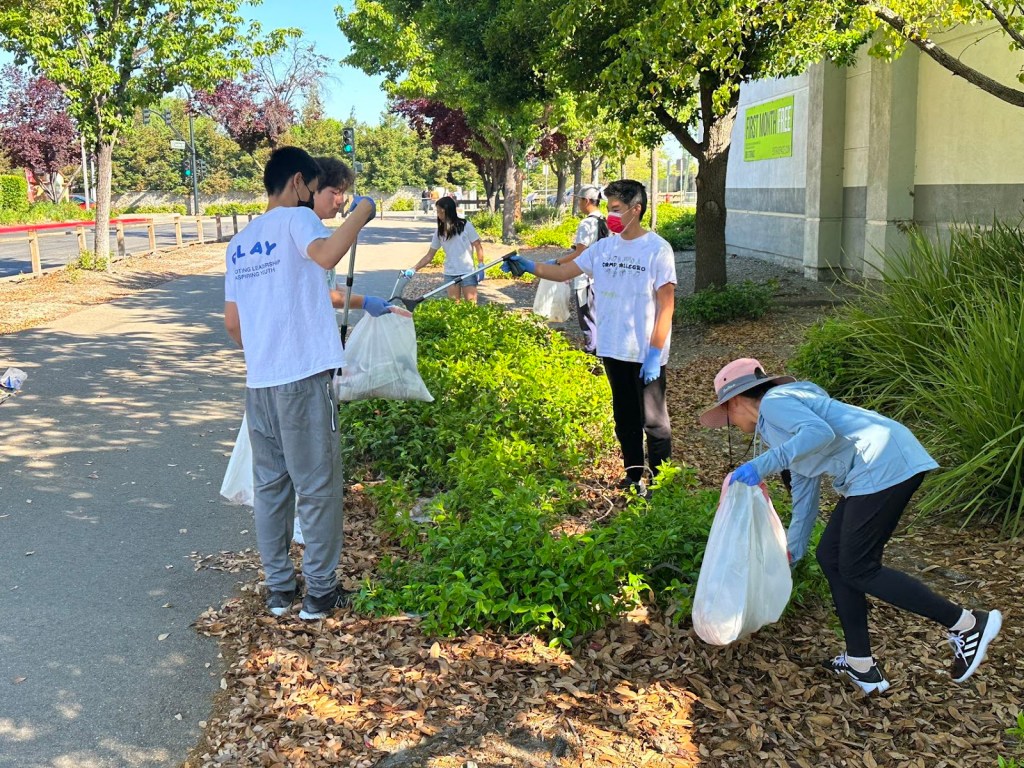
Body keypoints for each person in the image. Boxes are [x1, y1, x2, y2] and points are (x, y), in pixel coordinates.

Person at [699, 357, 1003, 693]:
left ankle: (967, 623)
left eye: (727, 415)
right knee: (830, 556)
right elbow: (804, 491)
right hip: (874, 471)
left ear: (736, 401)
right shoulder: (782, 427)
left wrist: (762, 465)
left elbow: (819, 433)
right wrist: (792, 551)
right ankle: (860, 662)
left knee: (859, 568)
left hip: (882, 465)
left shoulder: (775, 403)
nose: (730, 423)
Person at [223, 146, 385, 621]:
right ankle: (320, 592)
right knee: (316, 488)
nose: (317, 196)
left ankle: (278, 589)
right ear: (298, 183)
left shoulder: (240, 241)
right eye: (315, 188)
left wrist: (267, 349)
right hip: (304, 379)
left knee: (271, 488)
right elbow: (328, 252)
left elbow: (234, 325)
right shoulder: (297, 221)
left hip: (260, 384)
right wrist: (363, 213)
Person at [501, 179, 675, 495]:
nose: (611, 215)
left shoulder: (658, 250)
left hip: (646, 353)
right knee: (625, 421)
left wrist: (654, 352)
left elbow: (667, 304)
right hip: (613, 349)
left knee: (655, 423)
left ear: (636, 210)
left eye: (617, 209)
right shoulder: (603, 248)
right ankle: (634, 477)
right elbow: (564, 273)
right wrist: (529, 266)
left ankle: (663, 486)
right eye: (609, 208)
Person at [403, 196, 486, 303]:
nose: (439, 215)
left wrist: (481, 264)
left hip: (467, 272)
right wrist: (414, 269)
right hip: (450, 273)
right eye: (437, 212)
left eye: (441, 212)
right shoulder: (440, 232)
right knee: (453, 307)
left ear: (449, 211)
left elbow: (478, 245)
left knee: (471, 306)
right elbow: (429, 255)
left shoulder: (466, 225)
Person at [560, 184, 609, 354]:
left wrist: (560, 262)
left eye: (580, 200)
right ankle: (602, 354)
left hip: (586, 279)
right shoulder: (605, 221)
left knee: (587, 317)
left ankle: (592, 355)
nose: (579, 204)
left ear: (587, 201)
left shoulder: (587, 224)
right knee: (598, 317)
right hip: (602, 278)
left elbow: (580, 253)